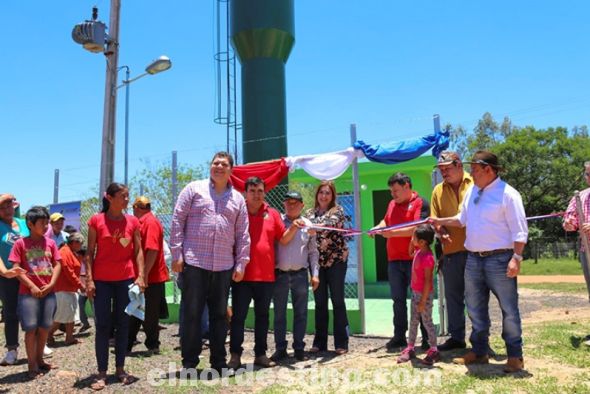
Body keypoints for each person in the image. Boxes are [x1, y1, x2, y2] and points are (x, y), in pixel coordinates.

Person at [430, 150, 528, 373]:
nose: (471, 173)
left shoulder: (508, 194)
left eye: (474, 169)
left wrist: (516, 258)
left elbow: (520, 231)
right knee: (474, 308)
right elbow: (461, 219)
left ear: (489, 170)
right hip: (473, 259)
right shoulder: (473, 190)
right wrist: (439, 221)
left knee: (509, 309)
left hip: (501, 259)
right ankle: (480, 352)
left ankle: (515, 356)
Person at [170, 151, 250, 376]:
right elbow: (178, 220)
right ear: (210, 167)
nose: (219, 166)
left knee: (219, 316)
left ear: (231, 170)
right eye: (216, 163)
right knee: (192, 314)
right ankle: (189, 362)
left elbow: (243, 233)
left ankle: (218, 362)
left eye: (224, 164)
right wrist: (177, 254)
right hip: (194, 263)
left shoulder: (238, 200)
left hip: (224, 266)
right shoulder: (193, 190)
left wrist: (241, 263)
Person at [228, 177, 301, 369]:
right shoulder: (237, 211)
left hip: (266, 278)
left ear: (264, 192)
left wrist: (293, 227)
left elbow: (283, 240)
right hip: (242, 276)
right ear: (245, 193)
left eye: (260, 190)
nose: (256, 194)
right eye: (252, 191)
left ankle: (260, 354)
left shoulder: (273, 213)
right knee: (238, 317)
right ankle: (235, 355)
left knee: (262, 317)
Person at [85, 183, 146, 390]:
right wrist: (89, 280)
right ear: (109, 198)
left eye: (128, 196)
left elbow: (138, 251)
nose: (127, 200)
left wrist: (141, 276)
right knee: (102, 326)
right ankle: (101, 373)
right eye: (123, 196)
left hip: (125, 281)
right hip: (101, 281)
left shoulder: (133, 221)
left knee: (123, 325)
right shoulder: (96, 220)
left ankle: (120, 369)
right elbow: (89, 252)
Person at [371, 173, 431, 351]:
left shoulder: (421, 203)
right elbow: (386, 221)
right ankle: (399, 336)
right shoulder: (392, 204)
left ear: (406, 186)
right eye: (391, 191)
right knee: (398, 301)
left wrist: (390, 233)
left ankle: (427, 337)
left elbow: (418, 229)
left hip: (414, 261)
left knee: (418, 299)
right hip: (394, 260)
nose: (393, 194)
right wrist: (379, 227)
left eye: (395, 190)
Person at [8, 206, 62, 379]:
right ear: (30, 224)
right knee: (31, 330)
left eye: (47, 222)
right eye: (42, 223)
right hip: (28, 294)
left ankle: (40, 361)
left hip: (49, 292)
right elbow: (15, 268)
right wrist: (31, 286)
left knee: (45, 328)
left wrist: (52, 283)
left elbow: (58, 264)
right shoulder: (20, 244)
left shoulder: (51, 243)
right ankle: (31, 365)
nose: (46, 226)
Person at [430, 151, 473, 351]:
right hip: (450, 253)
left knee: (476, 297)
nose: (444, 172)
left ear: (459, 165)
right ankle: (457, 338)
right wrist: (441, 231)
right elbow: (434, 219)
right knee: (453, 297)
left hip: (476, 251)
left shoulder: (475, 184)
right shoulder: (437, 190)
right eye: (441, 170)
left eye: (447, 168)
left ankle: (481, 340)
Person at [271, 191, 320, 363]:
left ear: (302, 205)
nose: (291, 205)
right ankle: (280, 348)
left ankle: (299, 348)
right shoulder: (277, 222)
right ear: (283, 204)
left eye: (295, 202)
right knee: (279, 313)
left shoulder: (308, 225)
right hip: (280, 274)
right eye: (288, 202)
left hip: (300, 274)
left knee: (301, 313)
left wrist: (315, 275)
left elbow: (313, 252)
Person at [305, 180, 350, 355]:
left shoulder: (337, 211)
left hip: (337, 261)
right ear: (317, 194)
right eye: (321, 192)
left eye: (327, 193)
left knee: (338, 301)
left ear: (332, 196)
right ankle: (320, 342)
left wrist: (313, 226)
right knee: (320, 303)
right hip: (317, 263)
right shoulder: (309, 212)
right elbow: (308, 228)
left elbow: (328, 224)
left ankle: (342, 342)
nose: (324, 196)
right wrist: (310, 226)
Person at [127, 196, 170, 355]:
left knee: (148, 313)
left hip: (150, 277)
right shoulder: (145, 222)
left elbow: (152, 250)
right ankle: (129, 343)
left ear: (138, 208)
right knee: (136, 310)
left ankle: (152, 344)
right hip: (146, 276)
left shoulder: (150, 223)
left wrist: (143, 275)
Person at [396, 224, 439, 365]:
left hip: (423, 296)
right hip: (415, 293)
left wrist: (423, 301)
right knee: (413, 321)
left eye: (414, 237)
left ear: (422, 241)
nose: (412, 239)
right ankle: (410, 347)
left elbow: (428, 281)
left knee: (427, 321)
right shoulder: (419, 251)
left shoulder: (427, 257)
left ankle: (434, 349)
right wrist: (412, 241)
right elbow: (410, 253)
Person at [0, 194, 30, 366]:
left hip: (28, 275)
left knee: (32, 308)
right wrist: (5, 272)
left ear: (15, 206)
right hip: (7, 276)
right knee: (11, 312)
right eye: (2, 208)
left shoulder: (24, 223)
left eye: (9, 206)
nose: (6, 211)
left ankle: (38, 345)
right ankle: (12, 349)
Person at [563, 161, 590, 346]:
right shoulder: (580, 196)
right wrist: (569, 223)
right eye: (587, 174)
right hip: (586, 250)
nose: (588, 177)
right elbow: (569, 218)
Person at [48, 232, 85, 346]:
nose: (81, 246)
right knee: (60, 316)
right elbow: (69, 272)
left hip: (69, 289)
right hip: (63, 288)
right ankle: (47, 335)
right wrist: (80, 285)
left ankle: (69, 337)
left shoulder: (69, 252)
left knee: (70, 314)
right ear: (74, 243)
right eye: (80, 244)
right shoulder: (64, 252)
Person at [77, 248, 93, 333]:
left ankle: (99, 323)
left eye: (79, 255)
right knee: (81, 305)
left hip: (89, 287)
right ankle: (85, 323)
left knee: (94, 306)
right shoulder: (77, 263)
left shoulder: (89, 263)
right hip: (82, 288)